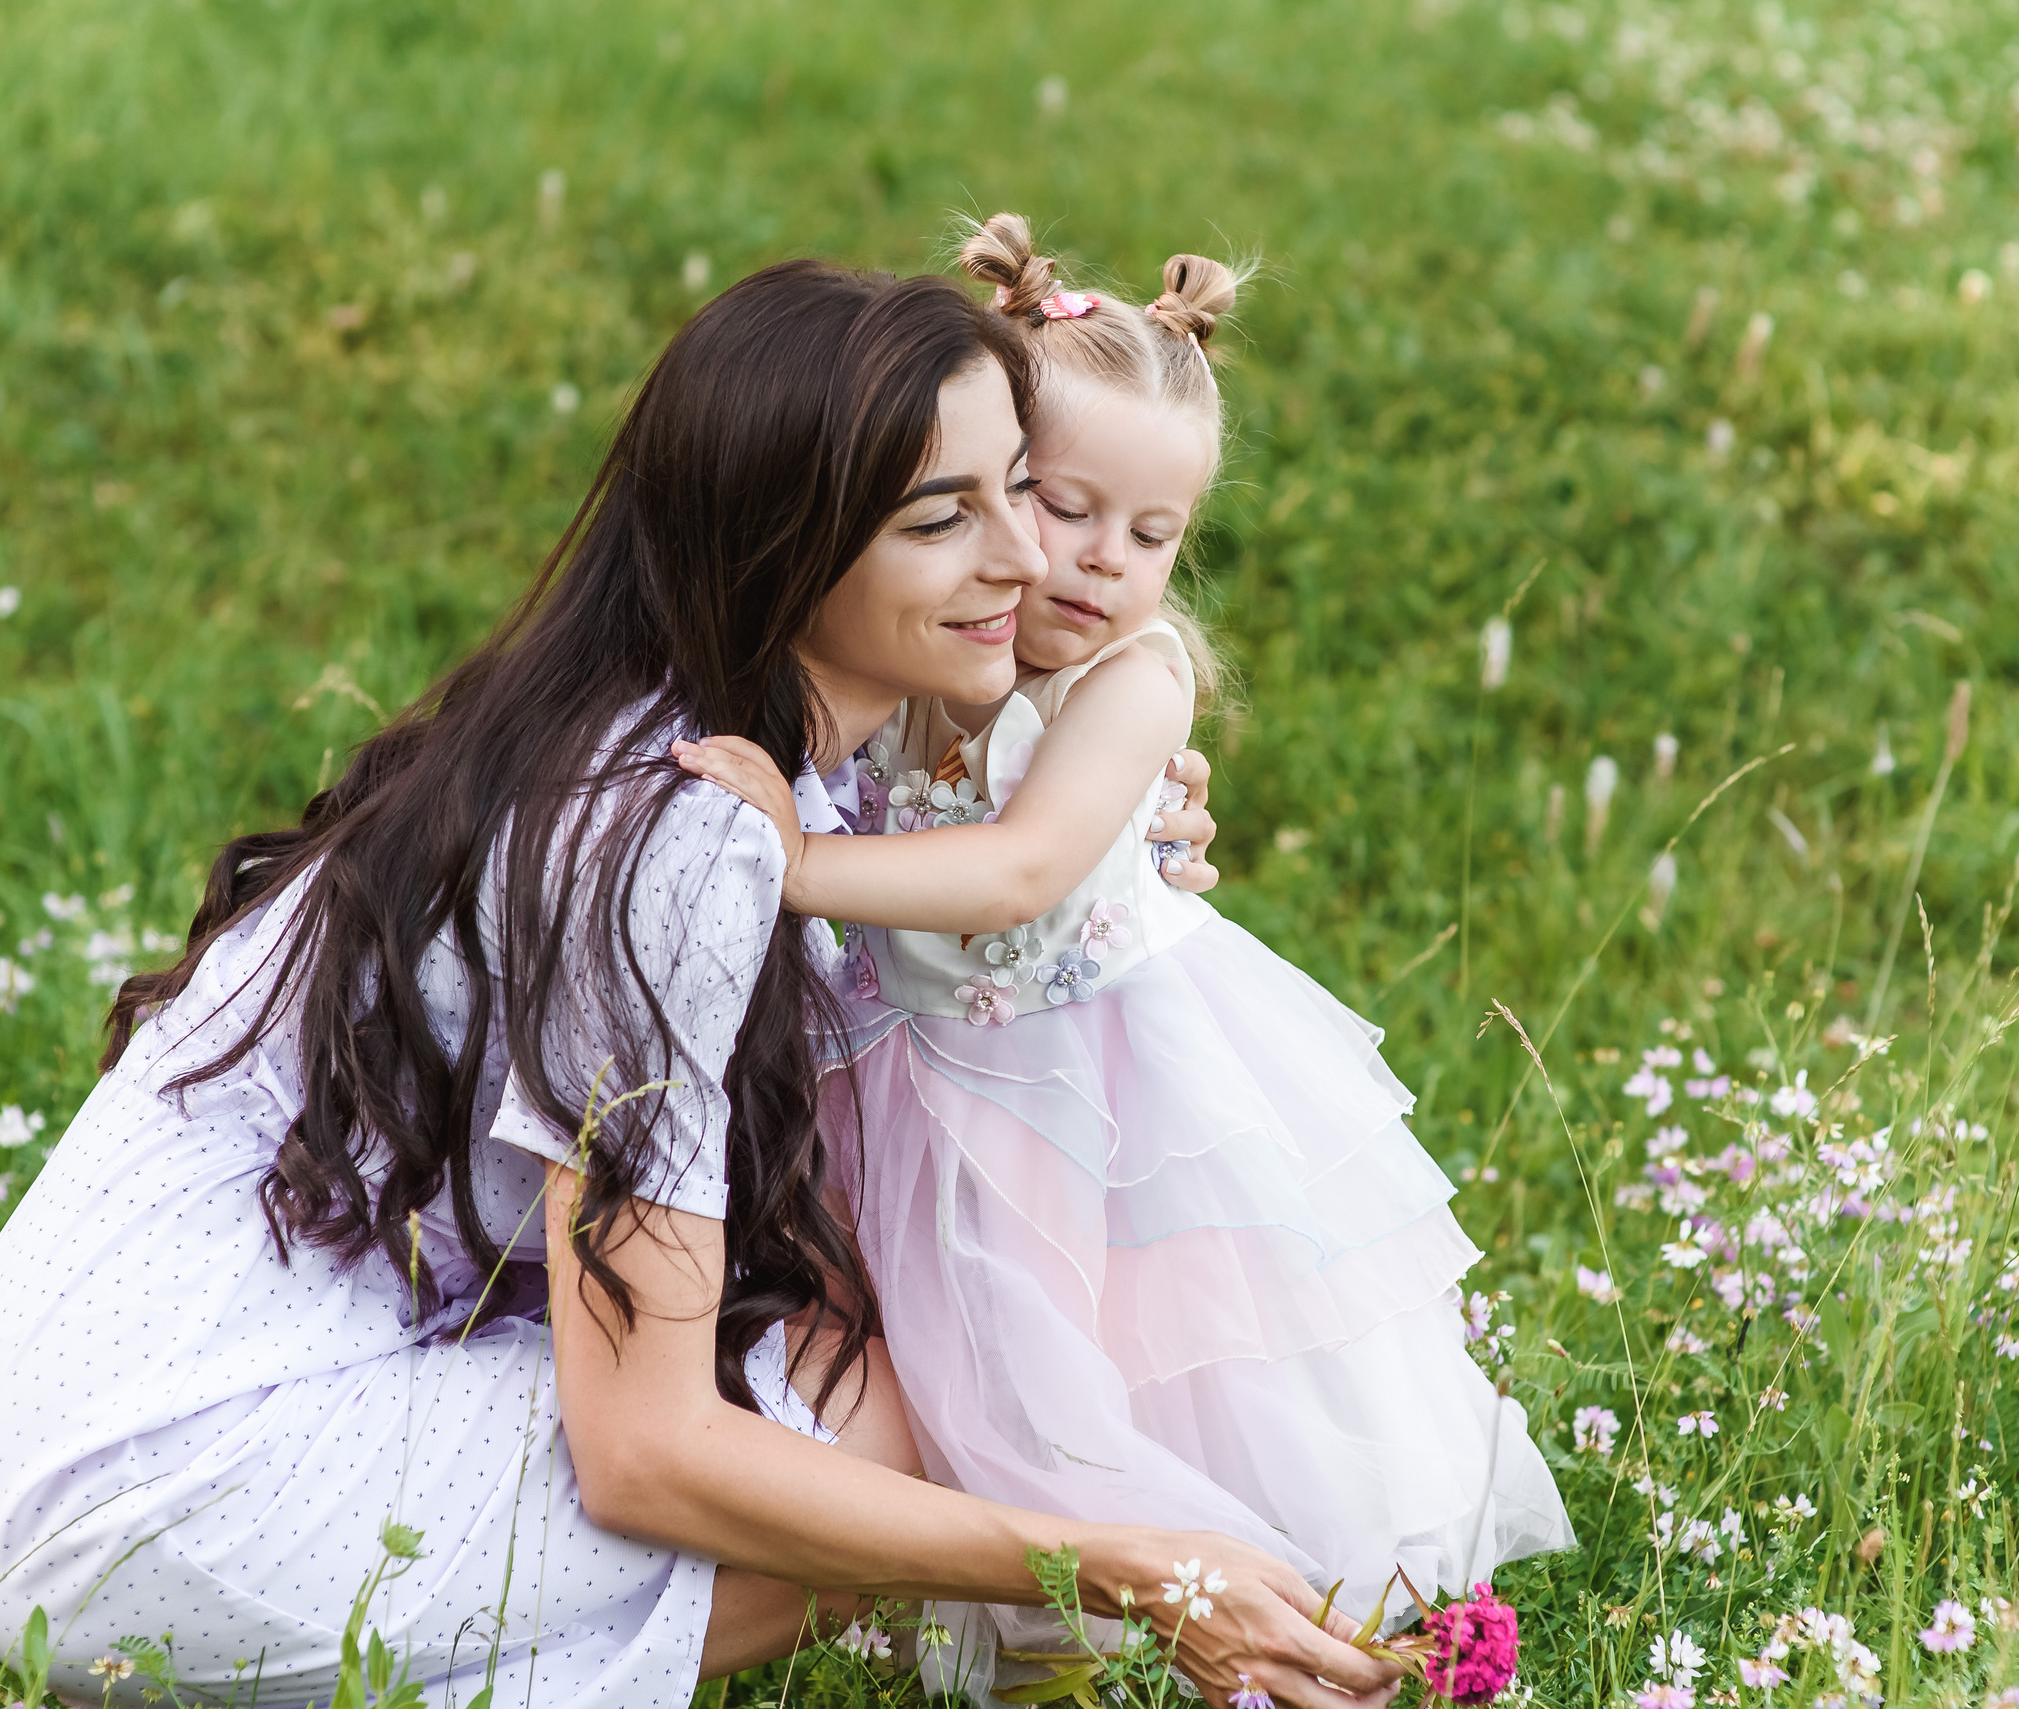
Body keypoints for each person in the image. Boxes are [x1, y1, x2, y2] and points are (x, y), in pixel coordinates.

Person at [0, 256, 1403, 1709]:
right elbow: (647, 1452)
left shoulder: (676, 730)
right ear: (785, 548)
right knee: (905, 1433)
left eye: (1026, 486)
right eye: (942, 519)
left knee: (893, 1341)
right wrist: (1114, 1568)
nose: (1032, 559)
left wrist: (1091, 823)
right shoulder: (685, 837)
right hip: (171, 1497)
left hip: (55, 1417)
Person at [673, 215, 1574, 1691]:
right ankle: (1031, 1604)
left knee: (1132, 1351)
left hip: (1089, 1077)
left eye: (1154, 536)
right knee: (968, 1349)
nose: (1099, 561)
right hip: (916, 1069)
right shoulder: (927, 653)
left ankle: (1271, 1604)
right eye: (1065, 506)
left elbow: (1022, 867)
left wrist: (792, 862)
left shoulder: (1134, 681)